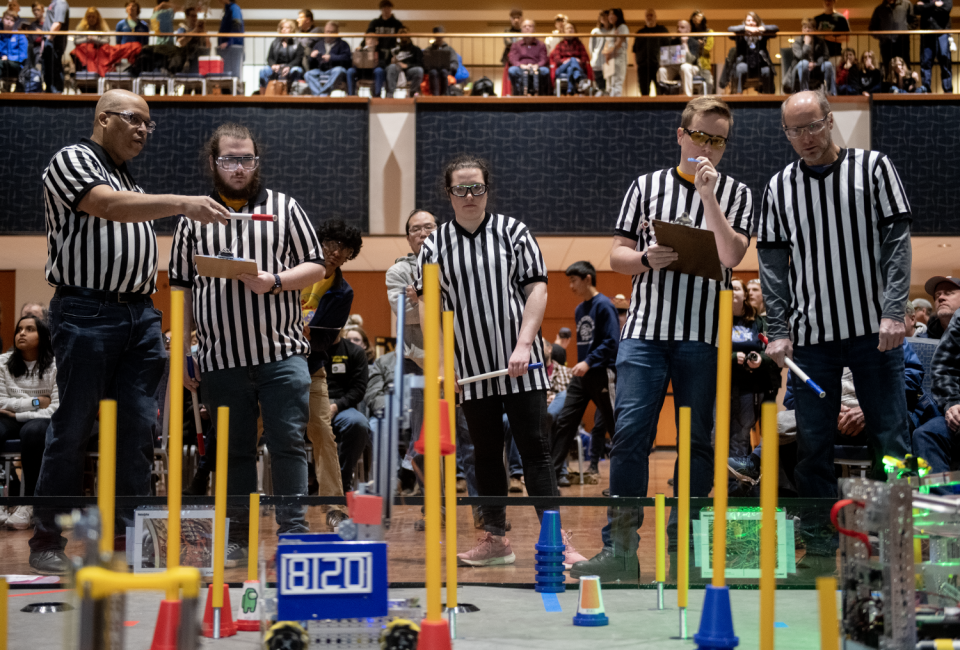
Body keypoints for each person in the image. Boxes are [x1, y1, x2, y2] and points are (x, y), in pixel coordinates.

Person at [30, 89, 229, 575]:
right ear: (102, 118)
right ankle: (47, 541)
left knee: (138, 430)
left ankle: (131, 539)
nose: (143, 131)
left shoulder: (126, 175)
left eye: (148, 124)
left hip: (140, 316)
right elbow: (108, 207)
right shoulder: (72, 159)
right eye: (133, 120)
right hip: (86, 311)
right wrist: (183, 202)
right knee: (73, 429)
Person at [571, 96, 753, 582]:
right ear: (681, 134)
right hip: (646, 333)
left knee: (696, 445)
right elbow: (616, 255)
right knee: (630, 436)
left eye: (719, 140)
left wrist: (709, 198)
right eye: (701, 136)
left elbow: (732, 255)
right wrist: (646, 259)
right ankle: (622, 551)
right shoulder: (645, 186)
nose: (708, 147)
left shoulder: (736, 192)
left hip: (703, 336)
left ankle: (685, 551)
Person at [758, 89, 912, 570]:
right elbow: (772, 265)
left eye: (811, 126)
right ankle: (822, 544)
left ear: (831, 121)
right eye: (792, 130)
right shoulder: (778, 186)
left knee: (890, 438)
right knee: (812, 448)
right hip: (810, 341)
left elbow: (897, 245)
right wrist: (777, 329)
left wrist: (894, 310)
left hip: (874, 333)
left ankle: (897, 540)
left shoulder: (875, 167)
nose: (803, 138)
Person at [171, 122, 325, 564]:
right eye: (229, 159)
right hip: (220, 360)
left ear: (257, 161)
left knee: (288, 445)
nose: (238, 167)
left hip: (282, 355)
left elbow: (315, 265)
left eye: (246, 159)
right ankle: (238, 534)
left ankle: (293, 532)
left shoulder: (285, 208)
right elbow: (180, 287)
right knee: (233, 450)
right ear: (213, 162)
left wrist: (275, 281)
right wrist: (181, 352)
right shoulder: (192, 217)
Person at [416, 154, 578, 568]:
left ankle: (558, 541)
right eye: (460, 189)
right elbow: (427, 306)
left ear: (487, 189)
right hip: (471, 371)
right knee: (485, 456)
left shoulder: (514, 232)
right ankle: (495, 540)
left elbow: (537, 291)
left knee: (535, 452)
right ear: (448, 193)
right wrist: (440, 365)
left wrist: (525, 344)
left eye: (477, 188)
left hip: (521, 367)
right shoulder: (434, 245)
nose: (469, 196)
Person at [301, 219, 362, 529]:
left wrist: (303, 335)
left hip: (311, 368)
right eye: (330, 244)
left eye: (345, 250)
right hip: (272, 365)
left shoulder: (343, 291)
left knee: (324, 435)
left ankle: (336, 508)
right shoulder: (294, 268)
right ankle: (231, 504)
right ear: (319, 241)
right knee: (249, 430)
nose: (336, 252)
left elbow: (326, 340)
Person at [550, 261, 618, 485]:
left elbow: (611, 341)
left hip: (601, 373)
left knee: (613, 425)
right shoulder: (580, 309)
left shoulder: (604, 305)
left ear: (587, 279)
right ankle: (551, 477)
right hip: (582, 376)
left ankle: (622, 478)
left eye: (573, 280)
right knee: (565, 421)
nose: (570, 286)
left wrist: (588, 362)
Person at [0, 315, 57, 530]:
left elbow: (54, 408)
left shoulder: (55, 364)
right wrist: (36, 401)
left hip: (37, 421)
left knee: (34, 433)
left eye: (30, 329)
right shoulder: (3, 363)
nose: (21, 333)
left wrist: (18, 413)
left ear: (42, 337)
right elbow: (0, 401)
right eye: (19, 329)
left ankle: (29, 504)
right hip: (9, 417)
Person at [727, 277, 780, 458]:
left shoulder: (758, 322)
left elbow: (772, 352)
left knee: (742, 434)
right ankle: (718, 477)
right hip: (722, 386)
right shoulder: (719, 320)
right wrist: (733, 357)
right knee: (715, 434)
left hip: (754, 386)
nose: (733, 293)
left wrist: (761, 359)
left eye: (737, 289)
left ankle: (740, 481)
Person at [324, 331, 373, 494]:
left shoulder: (354, 352)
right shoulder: (308, 350)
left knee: (358, 423)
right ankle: (309, 480)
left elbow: (358, 389)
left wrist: (336, 406)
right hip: (310, 405)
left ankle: (342, 482)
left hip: (340, 406)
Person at [73, 6, 142, 77]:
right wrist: (88, 38)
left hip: (102, 52)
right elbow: (76, 41)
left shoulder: (102, 28)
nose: (91, 19)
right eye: (89, 17)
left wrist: (93, 38)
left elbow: (106, 40)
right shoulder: (81, 28)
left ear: (97, 18)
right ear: (86, 18)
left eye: (93, 17)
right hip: (89, 54)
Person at [728, 12, 778, 94]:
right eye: (748, 20)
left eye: (753, 20)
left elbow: (775, 28)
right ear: (745, 22)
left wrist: (761, 28)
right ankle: (738, 95)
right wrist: (746, 28)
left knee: (767, 70)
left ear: (757, 22)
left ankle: (768, 97)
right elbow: (730, 29)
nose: (751, 22)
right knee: (739, 68)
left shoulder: (762, 31)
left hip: (760, 64)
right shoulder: (741, 31)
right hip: (745, 63)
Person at [304, 21, 350, 97]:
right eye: (327, 31)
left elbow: (347, 58)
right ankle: (320, 94)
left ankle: (322, 94)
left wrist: (331, 57)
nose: (329, 34)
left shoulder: (343, 44)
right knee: (308, 74)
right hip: (321, 70)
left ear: (337, 32)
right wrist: (312, 57)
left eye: (332, 32)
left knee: (339, 70)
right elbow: (311, 65)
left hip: (334, 69)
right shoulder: (319, 44)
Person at [656, 19, 700, 96]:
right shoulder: (673, 42)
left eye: (682, 27)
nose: (679, 29)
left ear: (688, 30)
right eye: (678, 27)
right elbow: (665, 59)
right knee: (661, 70)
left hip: (691, 67)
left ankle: (687, 96)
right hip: (674, 67)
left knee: (685, 67)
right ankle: (663, 97)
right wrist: (664, 61)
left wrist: (684, 44)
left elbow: (690, 61)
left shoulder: (694, 42)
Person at [792, 17, 836, 95]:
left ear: (814, 29)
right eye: (805, 27)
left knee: (828, 64)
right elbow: (799, 56)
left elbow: (826, 56)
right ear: (802, 29)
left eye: (810, 27)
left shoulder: (820, 41)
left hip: (817, 67)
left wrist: (815, 64)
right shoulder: (797, 41)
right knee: (804, 63)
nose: (807, 30)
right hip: (801, 67)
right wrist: (806, 44)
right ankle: (804, 92)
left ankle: (829, 92)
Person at [869, 0, 915, 74]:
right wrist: (883, 36)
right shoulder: (879, 9)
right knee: (888, 67)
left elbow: (914, 22)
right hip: (886, 44)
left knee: (905, 66)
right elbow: (872, 28)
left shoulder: (907, 4)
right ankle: (889, 85)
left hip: (903, 43)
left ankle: (906, 84)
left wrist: (905, 31)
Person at [916, 0, 952, 93]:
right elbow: (917, 9)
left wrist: (926, 8)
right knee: (925, 64)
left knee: (945, 63)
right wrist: (934, 5)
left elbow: (946, 9)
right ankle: (926, 90)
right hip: (926, 35)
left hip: (942, 34)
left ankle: (948, 91)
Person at [259, 19, 304, 93]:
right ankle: (264, 95)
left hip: (291, 67)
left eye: (287, 28)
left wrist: (289, 66)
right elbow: (269, 58)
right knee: (264, 70)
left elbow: (298, 59)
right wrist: (273, 65)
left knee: (296, 70)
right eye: (282, 28)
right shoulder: (275, 43)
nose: (284, 30)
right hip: (277, 67)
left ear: (291, 29)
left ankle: (294, 95)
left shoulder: (297, 43)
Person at [632, 8, 668, 97]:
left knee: (660, 91)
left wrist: (665, 64)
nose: (649, 17)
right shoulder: (640, 33)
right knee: (644, 92)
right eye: (647, 15)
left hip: (658, 66)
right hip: (643, 67)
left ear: (656, 17)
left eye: (651, 15)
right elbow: (634, 51)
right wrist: (635, 65)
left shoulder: (662, 31)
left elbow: (668, 48)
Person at [508, 19, 548, 96]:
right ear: (521, 30)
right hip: (521, 67)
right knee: (512, 70)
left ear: (534, 29)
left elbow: (543, 59)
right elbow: (513, 59)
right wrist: (521, 65)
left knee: (545, 70)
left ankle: (539, 93)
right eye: (525, 26)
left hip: (536, 67)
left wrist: (537, 65)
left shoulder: (541, 45)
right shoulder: (516, 45)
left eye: (530, 26)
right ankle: (519, 93)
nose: (527, 28)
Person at [549, 21, 590, 95]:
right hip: (562, 68)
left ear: (574, 31)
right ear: (564, 31)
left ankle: (570, 90)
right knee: (573, 59)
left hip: (574, 67)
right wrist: (569, 60)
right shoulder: (560, 45)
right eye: (567, 28)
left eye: (571, 28)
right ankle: (579, 79)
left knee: (570, 68)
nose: (570, 30)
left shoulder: (579, 44)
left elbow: (584, 59)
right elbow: (557, 60)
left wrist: (579, 61)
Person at [384, 26, 422, 97]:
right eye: (401, 34)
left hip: (409, 71)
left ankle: (412, 93)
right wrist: (392, 62)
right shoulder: (393, 49)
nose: (403, 35)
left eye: (405, 33)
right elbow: (386, 63)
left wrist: (407, 65)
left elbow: (419, 63)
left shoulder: (416, 49)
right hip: (395, 70)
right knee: (392, 67)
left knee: (419, 70)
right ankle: (390, 94)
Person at [40, 0, 67, 93]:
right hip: (49, 42)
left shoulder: (60, 3)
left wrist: (48, 39)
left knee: (54, 70)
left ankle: (56, 95)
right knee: (47, 70)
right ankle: (49, 92)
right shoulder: (54, 3)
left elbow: (58, 23)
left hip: (54, 43)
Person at [366, 0, 404, 67]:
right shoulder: (374, 23)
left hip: (392, 51)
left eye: (388, 8)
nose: (386, 10)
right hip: (377, 51)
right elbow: (368, 36)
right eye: (384, 8)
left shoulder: (397, 23)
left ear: (391, 9)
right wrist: (362, 45)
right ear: (381, 9)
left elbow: (404, 34)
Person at [423, 26, 457, 97]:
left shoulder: (449, 49)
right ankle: (435, 96)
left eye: (440, 36)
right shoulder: (429, 49)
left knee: (443, 71)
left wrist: (448, 66)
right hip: (433, 70)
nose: (439, 38)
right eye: (437, 36)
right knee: (433, 72)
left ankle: (444, 95)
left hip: (446, 70)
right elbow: (424, 63)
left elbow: (455, 63)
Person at [174, 6, 208, 74]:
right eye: (192, 16)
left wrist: (203, 31)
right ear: (187, 17)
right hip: (186, 61)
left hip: (199, 61)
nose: (194, 19)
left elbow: (208, 46)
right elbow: (182, 43)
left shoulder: (201, 31)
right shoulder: (182, 30)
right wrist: (195, 31)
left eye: (195, 16)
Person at [604, 8, 629, 97]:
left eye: (612, 14)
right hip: (610, 60)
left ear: (618, 16)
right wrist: (606, 54)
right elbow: (607, 45)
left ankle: (616, 107)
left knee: (617, 83)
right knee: (610, 85)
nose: (610, 17)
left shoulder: (622, 27)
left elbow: (618, 43)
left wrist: (609, 52)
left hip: (618, 59)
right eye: (609, 14)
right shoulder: (612, 29)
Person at [216, 0, 244, 79]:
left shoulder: (234, 8)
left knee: (231, 78)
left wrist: (229, 42)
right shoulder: (227, 10)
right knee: (225, 78)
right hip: (226, 50)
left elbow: (237, 26)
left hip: (232, 50)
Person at [690, 10, 715, 93]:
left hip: (704, 65)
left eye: (699, 17)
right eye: (695, 17)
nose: (697, 19)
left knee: (709, 83)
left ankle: (706, 103)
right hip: (692, 64)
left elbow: (708, 48)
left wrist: (699, 46)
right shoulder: (690, 33)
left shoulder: (709, 32)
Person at [0, 11, 28, 80]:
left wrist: (8, 58)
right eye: (7, 19)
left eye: (12, 20)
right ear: (3, 19)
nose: (9, 22)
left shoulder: (20, 36)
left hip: (16, 64)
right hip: (2, 63)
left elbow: (23, 55)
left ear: (15, 22)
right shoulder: (1, 34)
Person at [589, 10, 611, 94]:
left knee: (609, 87)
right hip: (597, 63)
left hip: (609, 63)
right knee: (600, 87)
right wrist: (593, 59)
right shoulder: (595, 31)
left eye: (605, 16)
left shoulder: (613, 31)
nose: (603, 18)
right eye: (601, 16)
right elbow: (592, 47)